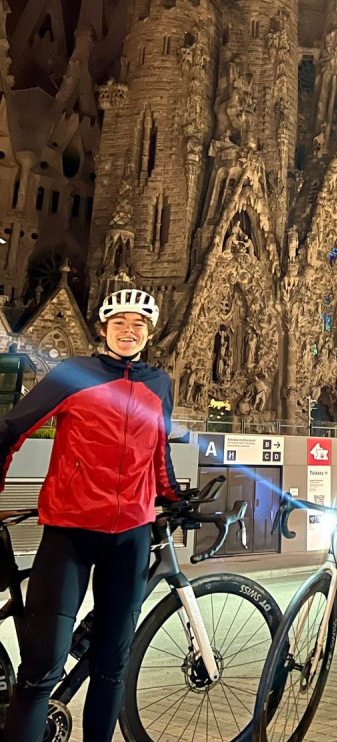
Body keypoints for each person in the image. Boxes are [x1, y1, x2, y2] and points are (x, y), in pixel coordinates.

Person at [0, 288, 182, 742]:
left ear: (149, 333)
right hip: (70, 534)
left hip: (131, 536)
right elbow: (10, 428)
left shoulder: (160, 383)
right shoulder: (75, 373)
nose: (128, 331)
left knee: (111, 666)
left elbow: (158, 450)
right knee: (42, 667)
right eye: (119, 322)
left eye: (138, 324)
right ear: (103, 329)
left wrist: (174, 496)